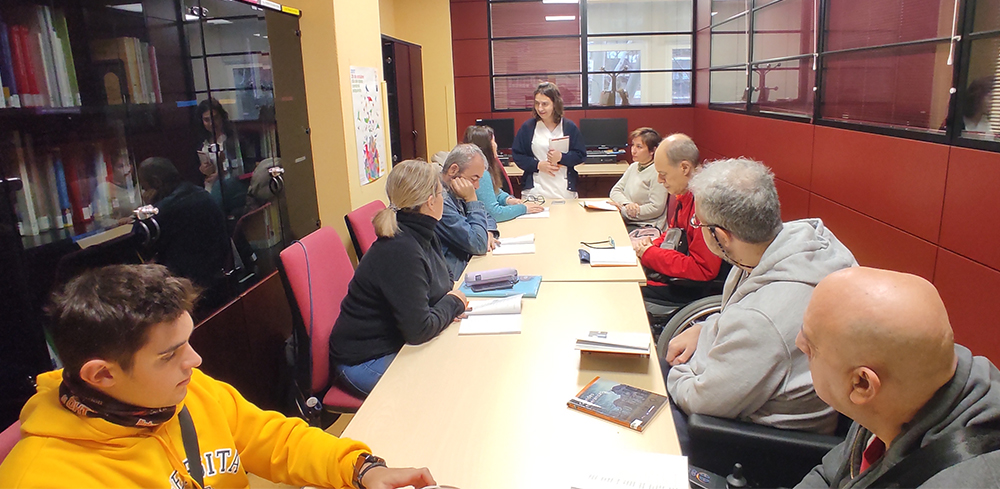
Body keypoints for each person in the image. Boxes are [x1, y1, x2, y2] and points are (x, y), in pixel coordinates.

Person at [0, 264, 437, 489]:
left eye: (188, 341)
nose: (195, 361)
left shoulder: (186, 393)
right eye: (171, 354)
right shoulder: (44, 476)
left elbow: (276, 439)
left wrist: (362, 469)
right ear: (102, 374)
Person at [665, 158, 857, 441]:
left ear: (720, 236)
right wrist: (706, 328)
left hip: (758, 441)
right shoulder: (805, 244)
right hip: (748, 386)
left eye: (699, 223)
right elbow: (746, 315)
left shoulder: (763, 318)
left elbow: (700, 400)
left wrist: (676, 372)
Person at [795, 267, 1000, 488]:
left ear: (862, 384)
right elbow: (831, 476)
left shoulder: (962, 478)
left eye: (810, 347)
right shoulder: (904, 388)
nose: (798, 342)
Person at [330, 160, 469, 396]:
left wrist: (443, 305)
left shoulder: (423, 231)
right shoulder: (400, 249)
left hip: (399, 342)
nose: (444, 197)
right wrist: (452, 303)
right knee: (446, 392)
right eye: (440, 192)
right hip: (365, 359)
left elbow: (444, 282)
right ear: (430, 201)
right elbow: (420, 329)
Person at [632, 134, 722, 311]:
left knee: (627, 287)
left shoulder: (705, 205)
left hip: (693, 288)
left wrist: (650, 254)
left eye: (663, 174)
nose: (659, 180)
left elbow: (702, 270)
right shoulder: (686, 195)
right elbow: (674, 232)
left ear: (684, 168)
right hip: (677, 275)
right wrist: (652, 245)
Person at [136, 157, 229, 311]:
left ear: (156, 182)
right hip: (219, 277)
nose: (145, 192)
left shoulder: (166, 209)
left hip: (190, 288)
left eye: (145, 188)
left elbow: (140, 236)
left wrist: (150, 207)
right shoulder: (200, 193)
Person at [511, 82, 587, 200]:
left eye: (545, 104)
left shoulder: (568, 127)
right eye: (537, 103)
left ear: (555, 104)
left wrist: (561, 157)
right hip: (535, 190)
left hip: (564, 190)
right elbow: (517, 155)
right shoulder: (528, 128)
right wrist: (537, 165)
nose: (540, 108)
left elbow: (580, 155)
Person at [435, 143, 499, 280]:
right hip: (454, 277)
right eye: (473, 179)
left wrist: (488, 231)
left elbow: (488, 215)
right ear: (453, 170)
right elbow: (479, 244)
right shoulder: (440, 201)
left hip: (467, 264)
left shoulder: (456, 190)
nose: (476, 186)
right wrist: (472, 199)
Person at [463, 124, 544, 222]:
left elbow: (494, 192)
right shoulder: (481, 174)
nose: (496, 145)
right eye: (493, 141)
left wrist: (507, 200)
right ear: (487, 146)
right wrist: (523, 208)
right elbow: (495, 213)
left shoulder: (478, 169)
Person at [610, 127, 669, 230]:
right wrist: (627, 204)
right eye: (633, 145)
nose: (633, 150)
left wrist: (623, 210)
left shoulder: (657, 172)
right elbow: (615, 190)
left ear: (653, 150)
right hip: (626, 218)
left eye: (639, 147)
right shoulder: (634, 166)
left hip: (644, 226)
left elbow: (656, 208)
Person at [196, 98, 248, 215]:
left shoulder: (233, 140)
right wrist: (202, 170)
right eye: (206, 120)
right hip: (208, 189)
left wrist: (220, 174)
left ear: (221, 117)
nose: (211, 123)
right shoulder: (201, 142)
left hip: (230, 190)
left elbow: (241, 169)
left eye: (214, 118)